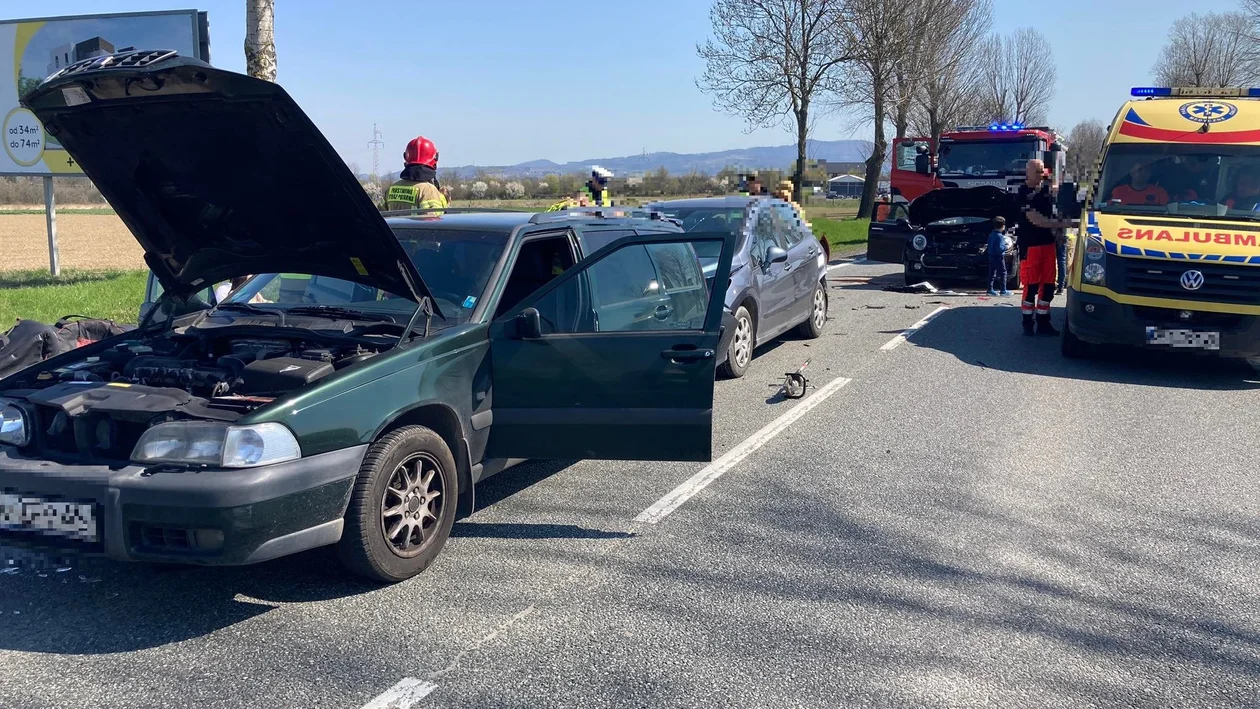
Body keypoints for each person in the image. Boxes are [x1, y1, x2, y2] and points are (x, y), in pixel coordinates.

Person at [1017, 159, 1078, 336]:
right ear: (1028, 173)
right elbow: (1037, 220)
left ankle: (1044, 322)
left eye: (1042, 171)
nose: (1041, 175)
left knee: (1049, 285)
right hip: (1031, 246)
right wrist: (1066, 223)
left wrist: (1059, 230)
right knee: (1031, 286)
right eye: (1037, 172)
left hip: (1048, 244)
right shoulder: (1023, 193)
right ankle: (1027, 323)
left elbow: (1054, 213)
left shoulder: (1047, 192)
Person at [383, 136, 450, 212]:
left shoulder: (391, 189)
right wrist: (444, 200)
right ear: (435, 159)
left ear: (406, 158)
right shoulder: (428, 190)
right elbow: (434, 220)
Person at [986, 216, 1012, 297]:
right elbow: (1000, 248)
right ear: (1003, 226)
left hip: (991, 256)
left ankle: (990, 289)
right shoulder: (1000, 237)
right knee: (1003, 273)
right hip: (998, 257)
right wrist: (1006, 247)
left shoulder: (991, 234)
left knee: (992, 273)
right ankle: (1003, 290)